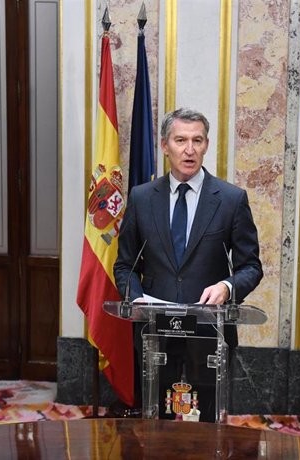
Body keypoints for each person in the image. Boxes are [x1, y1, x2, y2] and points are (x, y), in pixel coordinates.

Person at [114, 107, 263, 422]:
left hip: (209, 332)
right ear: (165, 146)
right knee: (156, 422)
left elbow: (251, 266)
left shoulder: (231, 199)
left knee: (206, 423)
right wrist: (137, 297)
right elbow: (125, 265)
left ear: (207, 145)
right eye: (180, 140)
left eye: (197, 140)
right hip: (155, 332)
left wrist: (227, 286)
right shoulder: (141, 198)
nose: (189, 149)